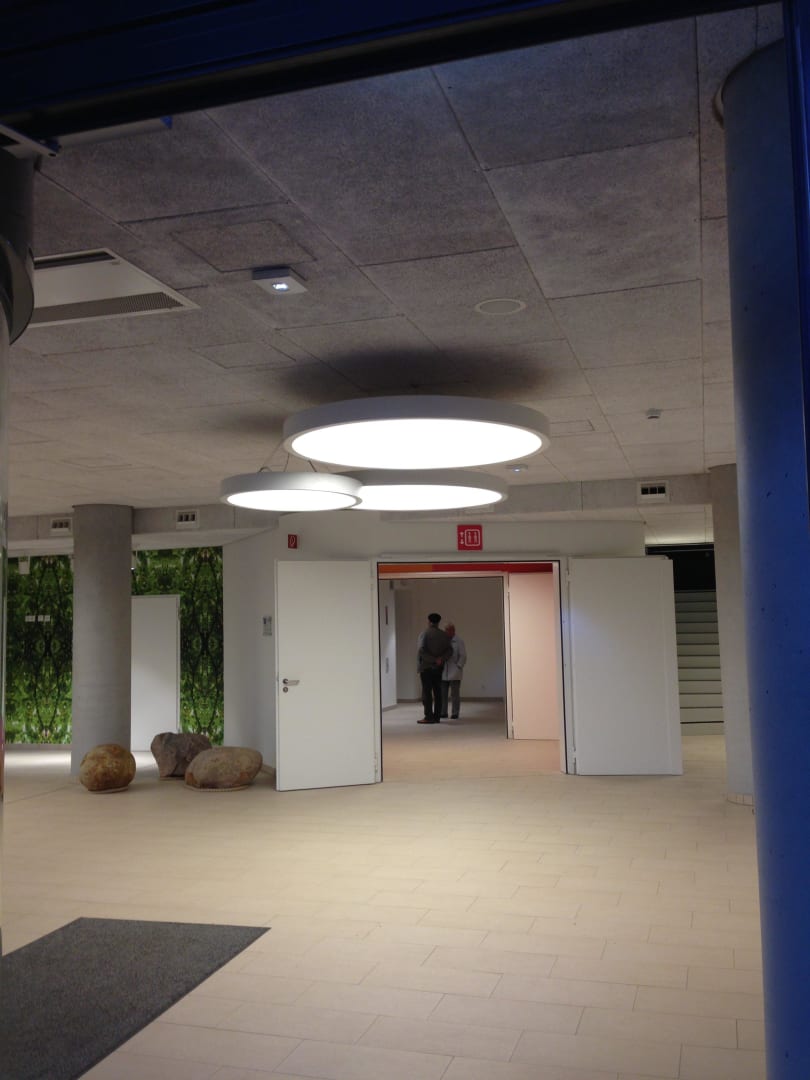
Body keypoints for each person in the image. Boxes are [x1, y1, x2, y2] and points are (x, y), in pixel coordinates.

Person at [417, 612, 452, 724]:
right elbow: (450, 650)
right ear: (438, 622)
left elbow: (421, 650)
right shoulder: (444, 635)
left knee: (427, 693)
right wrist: (441, 659)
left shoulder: (424, 633)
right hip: (439, 668)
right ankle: (437, 717)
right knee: (438, 692)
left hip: (426, 667)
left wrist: (433, 659)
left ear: (429, 621)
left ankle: (428, 717)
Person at [441, 622, 467, 719]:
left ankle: (455, 713)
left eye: (447, 630)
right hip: (444, 671)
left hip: (455, 672)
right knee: (443, 694)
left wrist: (458, 666)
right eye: (445, 630)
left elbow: (463, 656)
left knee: (454, 694)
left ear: (453, 631)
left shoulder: (459, 641)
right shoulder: (443, 640)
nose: (446, 632)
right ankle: (443, 712)